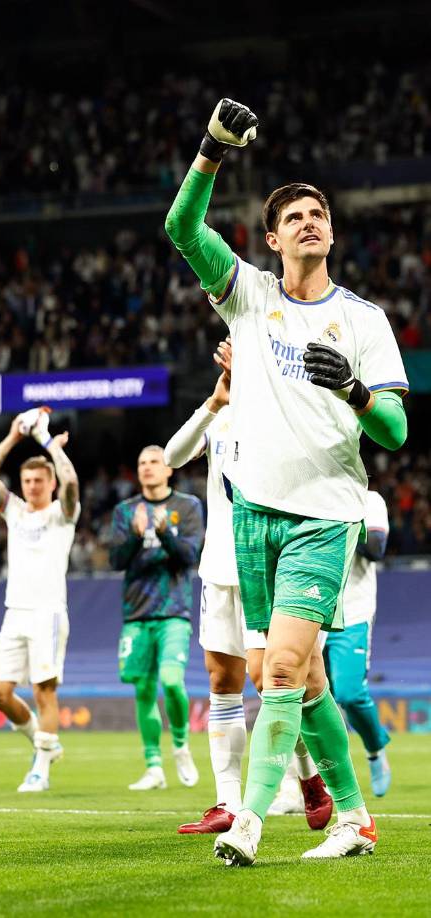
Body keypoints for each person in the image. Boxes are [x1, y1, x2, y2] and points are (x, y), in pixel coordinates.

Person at [164, 99, 408, 864]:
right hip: (253, 517)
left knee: (275, 669)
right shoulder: (249, 297)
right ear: (271, 239)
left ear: (331, 232)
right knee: (303, 687)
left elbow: (397, 432)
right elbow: (180, 230)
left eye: (318, 214)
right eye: (293, 216)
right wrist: (212, 149)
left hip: (324, 517)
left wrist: (356, 393)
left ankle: (248, 821)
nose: (309, 222)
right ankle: (354, 821)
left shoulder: (364, 322)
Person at [164, 340, 332, 834]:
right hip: (219, 567)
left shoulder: (288, 413)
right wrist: (216, 400)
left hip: (270, 565)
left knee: (274, 680)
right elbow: (173, 455)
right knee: (222, 683)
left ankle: (310, 777)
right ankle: (227, 803)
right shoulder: (223, 415)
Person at [0, 406, 80, 793]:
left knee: (43, 690)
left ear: (49, 483)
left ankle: (41, 769)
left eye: (39, 480)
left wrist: (49, 443)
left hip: (48, 613)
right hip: (14, 613)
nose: (33, 485)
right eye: (27, 479)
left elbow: (70, 481)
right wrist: (15, 436)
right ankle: (44, 744)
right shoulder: (14, 511)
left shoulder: (62, 513)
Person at [110, 446, 204, 791]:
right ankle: (153, 767)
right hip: (136, 612)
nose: (147, 468)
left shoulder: (187, 506)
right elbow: (116, 560)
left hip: (173, 610)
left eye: (154, 462)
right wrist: (136, 535)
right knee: (144, 689)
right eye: (142, 463)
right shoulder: (124, 511)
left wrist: (164, 533)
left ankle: (180, 746)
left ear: (169, 469)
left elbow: (189, 555)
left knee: (172, 681)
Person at [324, 489, 392, 796]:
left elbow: (376, 548)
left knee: (349, 694)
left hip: (352, 611)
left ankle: (376, 748)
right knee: (308, 698)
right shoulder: (305, 496)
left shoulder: (369, 500)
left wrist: (340, 517)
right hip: (308, 608)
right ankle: (313, 781)